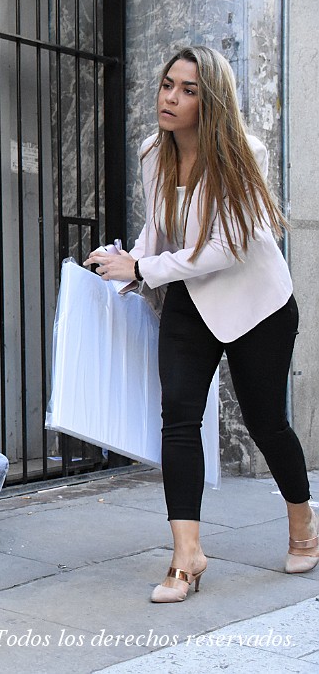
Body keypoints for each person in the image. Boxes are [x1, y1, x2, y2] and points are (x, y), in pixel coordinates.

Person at [84, 46, 317, 603]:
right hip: (191, 300)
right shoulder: (151, 152)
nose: (171, 97)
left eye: (188, 90)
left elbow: (226, 248)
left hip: (257, 305)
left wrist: (144, 267)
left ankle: (303, 523)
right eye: (168, 84)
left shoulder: (243, 153)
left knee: (266, 422)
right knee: (180, 419)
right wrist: (123, 265)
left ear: (210, 101)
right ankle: (186, 556)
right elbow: (157, 230)